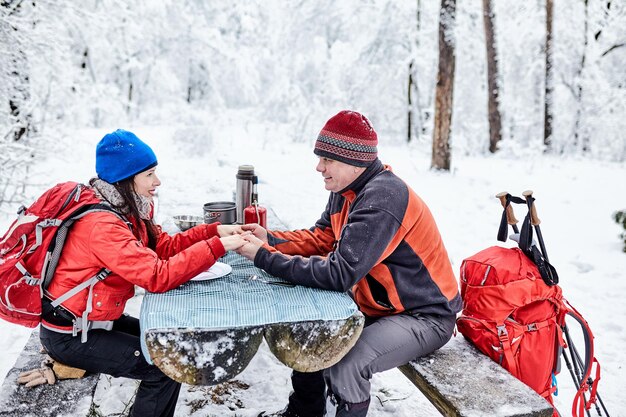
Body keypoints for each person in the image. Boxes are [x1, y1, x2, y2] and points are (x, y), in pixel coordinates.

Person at [237, 110, 462, 417]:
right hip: (379, 307)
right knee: (313, 333)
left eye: (327, 159)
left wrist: (264, 257)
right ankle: (304, 411)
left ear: (354, 161)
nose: (319, 167)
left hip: (424, 316)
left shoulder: (384, 198)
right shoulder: (348, 190)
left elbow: (339, 273)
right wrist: (270, 241)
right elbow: (323, 237)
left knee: (346, 362)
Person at [38, 129, 247, 417]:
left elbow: (163, 247)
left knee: (171, 346)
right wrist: (217, 246)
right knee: (166, 364)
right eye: (149, 174)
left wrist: (213, 231)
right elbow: (156, 276)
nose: (157, 181)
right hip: (71, 336)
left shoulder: (125, 210)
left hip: (94, 322)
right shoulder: (103, 225)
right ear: (126, 178)